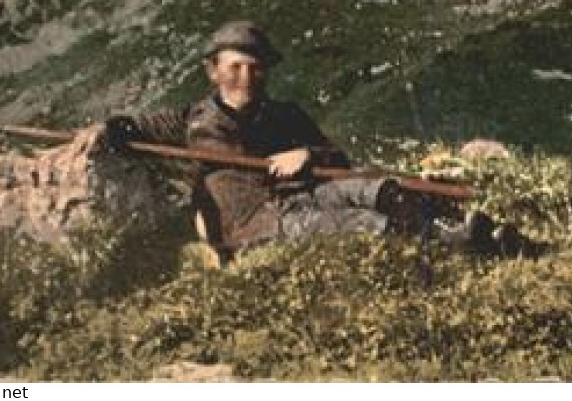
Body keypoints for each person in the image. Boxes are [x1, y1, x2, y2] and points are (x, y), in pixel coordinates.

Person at [92, 20, 529, 261]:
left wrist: (306, 153)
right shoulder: (189, 121)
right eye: (235, 67)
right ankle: (463, 245)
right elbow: (129, 128)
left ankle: (462, 227)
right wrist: (110, 131)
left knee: (375, 188)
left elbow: (336, 158)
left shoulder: (285, 115)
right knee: (360, 224)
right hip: (255, 227)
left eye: (256, 68)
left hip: (305, 195)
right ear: (213, 71)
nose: (246, 77)